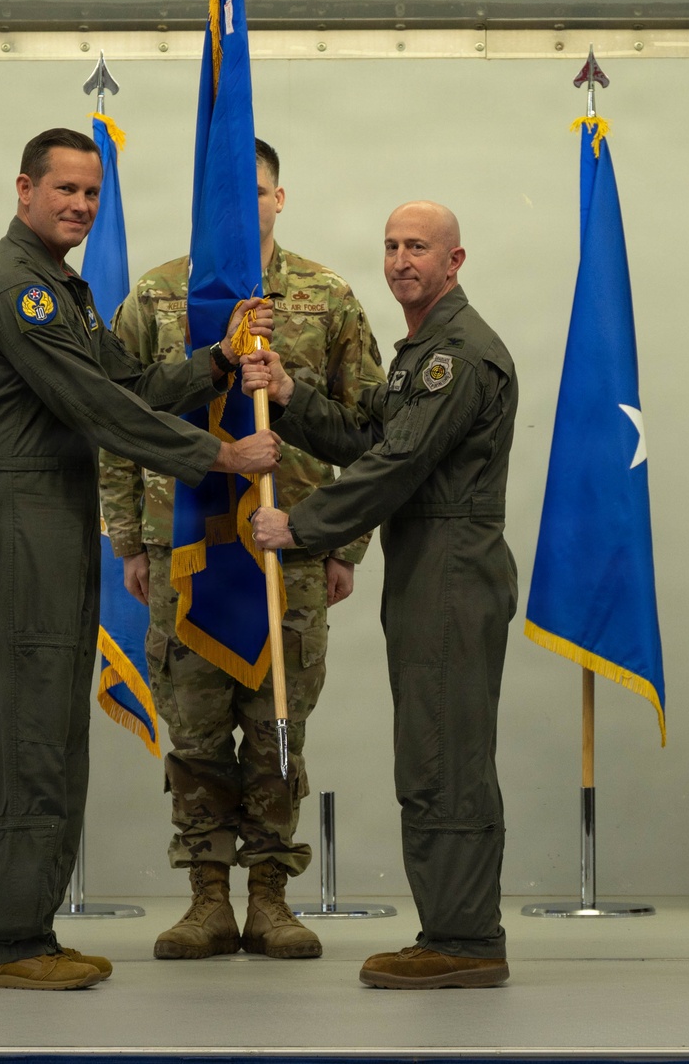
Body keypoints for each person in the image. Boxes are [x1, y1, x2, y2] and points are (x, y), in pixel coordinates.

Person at [0, 127, 280, 991]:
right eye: (66, 191)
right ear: (24, 189)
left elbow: (127, 383)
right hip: (18, 512)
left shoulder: (62, 288)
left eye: (92, 193)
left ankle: (30, 930)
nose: (82, 207)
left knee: (52, 724)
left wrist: (214, 359)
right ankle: (9, 941)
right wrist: (218, 459)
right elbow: (99, 407)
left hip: (51, 511)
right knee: (25, 726)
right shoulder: (17, 291)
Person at [99, 138, 384, 961]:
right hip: (182, 556)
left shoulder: (327, 298)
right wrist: (130, 537)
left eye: (255, 191)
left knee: (276, 730)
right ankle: (206, 899)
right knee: (193, 736)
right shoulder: (155, 299)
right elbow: (118, 424)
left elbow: (372, 433)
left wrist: (344, 544)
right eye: (225, 194)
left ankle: (269, 897)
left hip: (287, 554)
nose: (242, 206)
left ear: (279, 198)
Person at [246, 200, 518, 989]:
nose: (401, 260)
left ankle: (465, 939)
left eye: (419, 248)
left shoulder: (456, 355)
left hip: (452, 564)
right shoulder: (419, 352)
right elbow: (373, 438)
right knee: (432, 748)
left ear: (454, 262)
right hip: (428, 560)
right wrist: (294, 397)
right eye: (392, 245)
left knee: (447, 755)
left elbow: (395, 466)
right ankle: (452, 928)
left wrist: (300, 524)